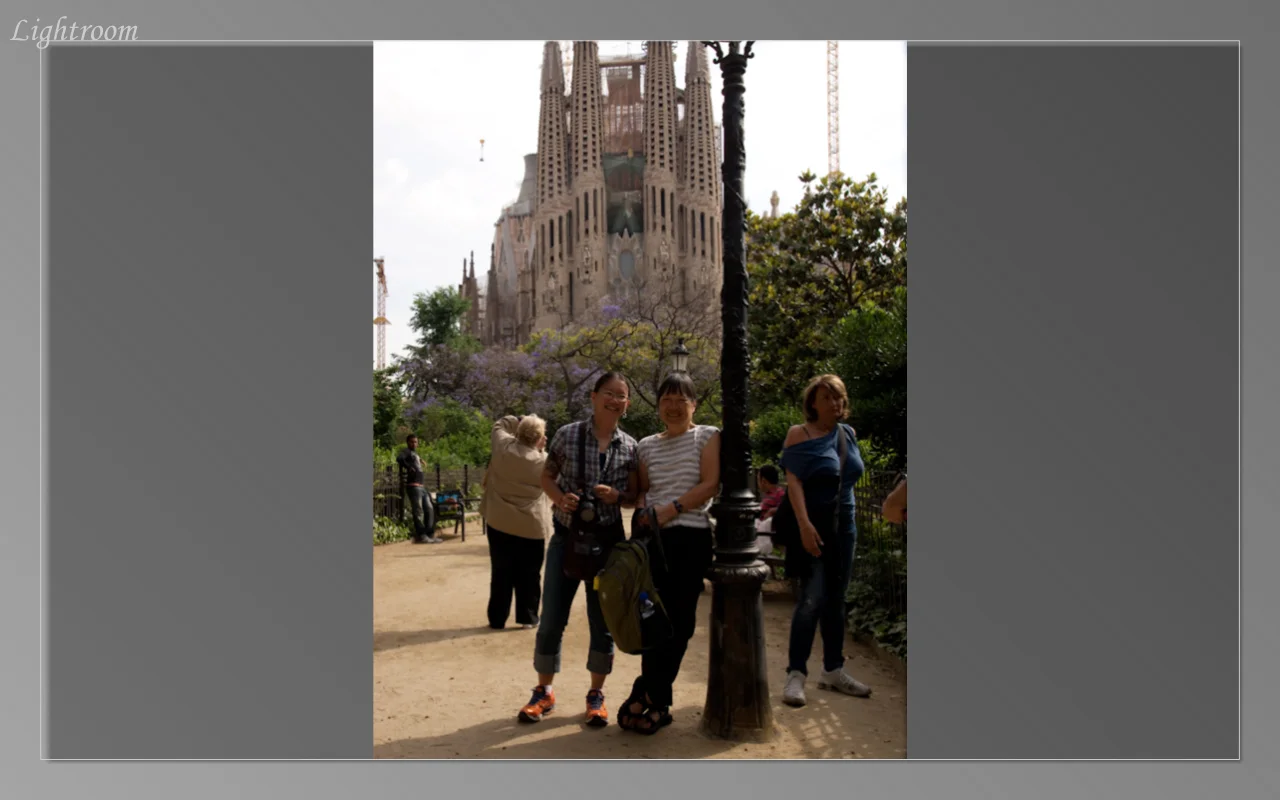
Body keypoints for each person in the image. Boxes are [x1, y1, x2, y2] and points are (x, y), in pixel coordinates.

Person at [517, 372, 641, 728]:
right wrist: (560, 499)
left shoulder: (630, 447)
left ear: (627, 405)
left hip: (609, 545)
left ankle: (596, 694)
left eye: (622, 396)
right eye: (609, 393)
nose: (615, 400)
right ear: (593, 396)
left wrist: (617, 497)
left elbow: (633, 497)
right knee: (552, 615)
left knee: (602, 622)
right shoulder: (567, 434)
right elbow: (546, 477)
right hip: (567, 539)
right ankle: (544, 691)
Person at [618, 373, 721, 735]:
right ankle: (657, 704)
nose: (674, 407)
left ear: (694, 404)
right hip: (652, 542)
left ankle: (645, 693)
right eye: (667, 400)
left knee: (681, 623)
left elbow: (710, 484)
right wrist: (646, 510)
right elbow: (645, 489)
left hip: (689, 537)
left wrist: (669, 510)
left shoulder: (707, 436)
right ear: (658, 405)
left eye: (682, 400)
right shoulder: (646, 445)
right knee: (652, 621)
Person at [779, 374, 873, 707]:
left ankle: (833, 670)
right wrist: (804, 526)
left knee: (837, 600)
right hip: (814, 528)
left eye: (838, 397)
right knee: (811, 600)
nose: (834, 402)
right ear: (812, 403)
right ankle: (796, 674)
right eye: (826, 397)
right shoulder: (798, 435)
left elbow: (849, 478)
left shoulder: (847, 434)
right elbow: (794, 484)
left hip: (844, 529)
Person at [480, 415, 552, 630]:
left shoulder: (503, 447)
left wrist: (518, 418)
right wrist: (539, 448)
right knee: (530, 574)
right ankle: (528, 617)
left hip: (499, 520)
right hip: (532, 525)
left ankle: (497, 618)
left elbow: (499, 424)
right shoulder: (543, 461)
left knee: (501, 572)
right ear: (539, 437)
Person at [397, 434, 441, 544]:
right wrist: (408, 467)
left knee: (430, 508)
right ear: (408, 442)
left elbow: (414, 459)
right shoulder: (406, 451)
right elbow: (399, 458)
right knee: (418, 511)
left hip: (422, 487)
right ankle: (422, 535)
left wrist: (420, 460)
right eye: (412, 442)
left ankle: (429, 534)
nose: (414, 444)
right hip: (413, 486)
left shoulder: (414, 453)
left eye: (416, 442)